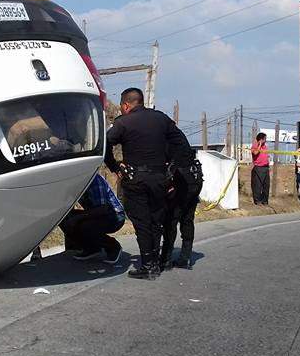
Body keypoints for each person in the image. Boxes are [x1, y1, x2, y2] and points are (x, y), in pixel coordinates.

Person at [105, 87, 187, 280]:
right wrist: (171, 169)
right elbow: (182, 144)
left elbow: (105, 144)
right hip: (160, 178)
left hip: (135, 179)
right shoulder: (162, 119)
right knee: (156, 220)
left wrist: (114, 166)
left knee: (142, 222)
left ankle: (148, 265)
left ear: (125, 105)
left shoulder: (123, 122)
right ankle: (155, 262)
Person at [59, 173, 125, 264]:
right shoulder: (73, 183)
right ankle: (92, 247)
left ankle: (113, 247)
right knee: (64, 219)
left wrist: (77, 218)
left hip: (114, 215)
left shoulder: (94, 180)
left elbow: (103, 209)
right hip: (97, 213)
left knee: (86, 225)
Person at [160, 145, 204, 270]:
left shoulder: (167, 139)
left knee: (171, 221)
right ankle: (186, 257)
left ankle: (166, 259)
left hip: (181, 183)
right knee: (187, 219)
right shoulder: (179, 139)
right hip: (194, 180)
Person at [250, 132, 270, 205]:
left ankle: (265, 201)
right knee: (258, 185)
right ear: (261, 139)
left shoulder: (265, 146)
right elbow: (255, 153)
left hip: (265, 167)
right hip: (259, 168)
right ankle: (257, 200)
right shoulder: (255, 145)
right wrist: (260, 145)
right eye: (265, 139)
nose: (266, 140)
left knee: (266, 185)